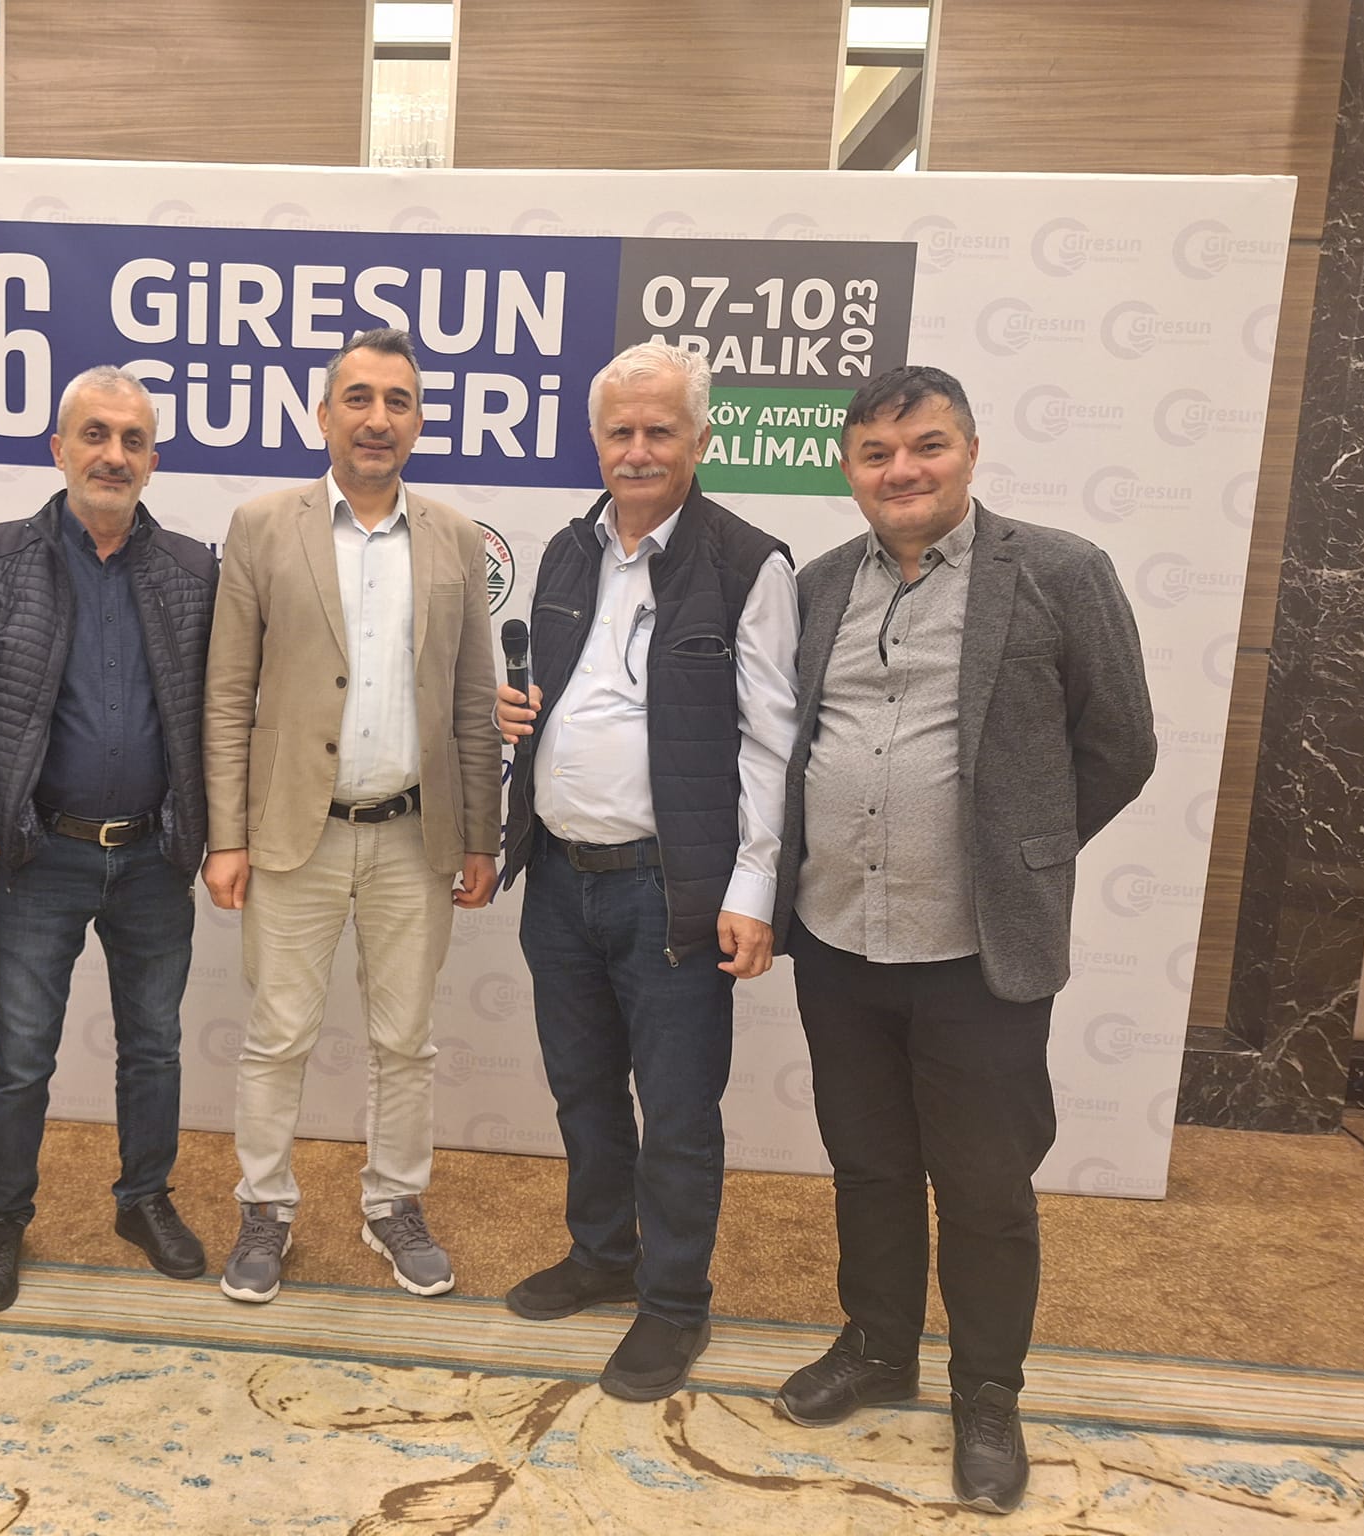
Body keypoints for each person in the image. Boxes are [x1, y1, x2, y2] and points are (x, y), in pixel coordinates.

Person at [770, 364, 1156, 1514]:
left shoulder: (1058, 572)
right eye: (875, 454)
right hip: (836, 938)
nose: (901, 471)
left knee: (984, 1185)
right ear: (848, 470)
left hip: (975, 952)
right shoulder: (816, 587)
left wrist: (1020, 853)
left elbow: (1119, 744)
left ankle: (986, 1392)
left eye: (925, 446)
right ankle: (876, 1346)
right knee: (868, 1163)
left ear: (969, 452)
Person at [495, 341, 799, 1401]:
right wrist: (517, 720)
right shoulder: (566, 549)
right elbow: (558, 695)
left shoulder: (747, 563)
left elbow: (771, 744)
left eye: (658, 430)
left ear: (698, 439)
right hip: (558, 879)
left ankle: (673, 1304)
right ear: (595, 440)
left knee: (675, 1110)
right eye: (618, 431)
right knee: (581, 1088)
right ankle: (602, 1255)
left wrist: (752, 890)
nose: (636, 450)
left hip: (673, 890)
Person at [201, 327, 502, 1304]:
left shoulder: (455, 538)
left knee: (405, 1039)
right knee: (277, 1035)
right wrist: (227, 835)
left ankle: (392, 1203)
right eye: (359, 399)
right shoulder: (261, 526)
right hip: (295, 836)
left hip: (416, 838)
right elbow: (226, 695)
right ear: (324, 414)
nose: (378, 419)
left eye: (397, 401)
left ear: (418, 420)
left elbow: (472, 700)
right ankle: (264, 1207)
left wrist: (482, 835)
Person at [0, 366, 218, 1309]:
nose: (113, 454)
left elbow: (212, 712)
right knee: (22, 1055)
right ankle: (1, 1220)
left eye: (132, 439)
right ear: (57, 448)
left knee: (154, 1045)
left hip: (153, 857)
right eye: (95, 435)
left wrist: (199, 833)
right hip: (40, 854)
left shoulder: (191, 569)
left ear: (154, 459)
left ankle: (143, 1200)